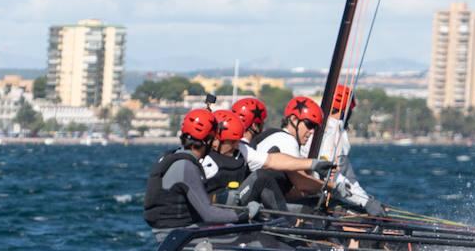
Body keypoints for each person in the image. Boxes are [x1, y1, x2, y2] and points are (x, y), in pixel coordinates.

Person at [143, 109, 258, 240]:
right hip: (181, 235)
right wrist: (245, 214)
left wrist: (219, 198)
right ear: (206, 141)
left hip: (169, 232)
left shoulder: (171, 156)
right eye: (213, 138)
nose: (214, 144)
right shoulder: (187, 166)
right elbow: (209, 214)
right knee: (248, 239)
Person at [203, 109, 332, 211]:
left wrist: (313, 164)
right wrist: (218, 199)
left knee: (263, 176)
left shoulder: (242, 150)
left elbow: (272, 160)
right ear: (215, 140)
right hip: (216, 212)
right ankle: (288, 228)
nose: (237, 146)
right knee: (261, 178)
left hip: (236, 204)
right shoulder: (205, 162)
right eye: (232, 142)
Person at [318, 84, 385, 217]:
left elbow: (348, 178)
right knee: (372, 223)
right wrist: (366, 203)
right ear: (347, 109)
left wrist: (368, 200)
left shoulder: (325, 127)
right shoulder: (334, 132)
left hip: (326, 199)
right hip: (319, 204)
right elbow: (329, 174)